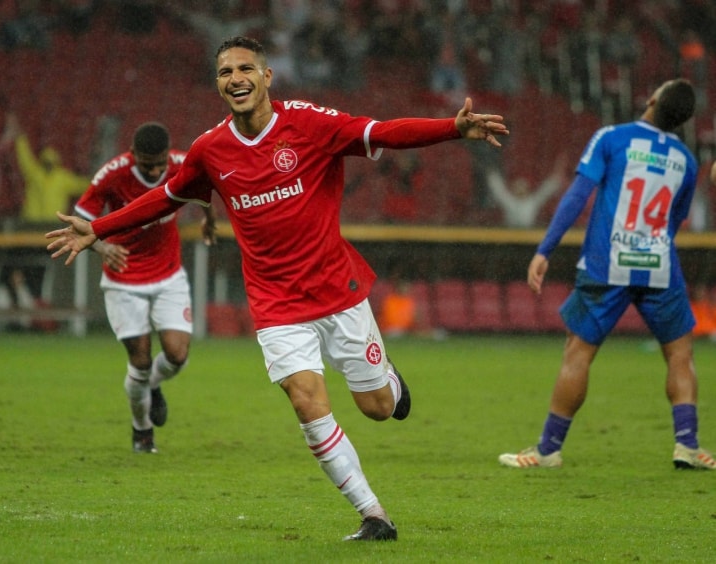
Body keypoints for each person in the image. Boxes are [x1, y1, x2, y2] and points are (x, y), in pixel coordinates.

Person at [46, 35, 508, 541]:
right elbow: (165, 198)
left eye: (246, 68)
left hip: (336, 289)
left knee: (377, 408)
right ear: (218, 85)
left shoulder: (310, 124)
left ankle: (389, 381)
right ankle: (374, 514)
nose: (236, 79)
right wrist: (101, 228)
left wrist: (452, 128)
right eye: (225, 72)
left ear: (267, 76)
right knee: (305, 399)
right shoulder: (209, 149)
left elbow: (384, 132)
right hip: (275, 303)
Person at [498, 79, 715, 471]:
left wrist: (545, 249)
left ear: (651, 98)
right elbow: (675, 220)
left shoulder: (611, 139)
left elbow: (578, 195)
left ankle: (549, 449)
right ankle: (687, 445)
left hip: (607, 262)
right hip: (659, 265)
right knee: (680, 354)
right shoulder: (686, 159)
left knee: (578, 354)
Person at [73, 122, 216, 454]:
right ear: (132, 154)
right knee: (139, 359)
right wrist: (102, 247)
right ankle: (142, 432)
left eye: (160, 162)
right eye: (147, 162)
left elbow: (208, 184)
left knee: (177, 355)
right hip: (124, 278)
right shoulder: (112, 174)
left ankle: (151, 386)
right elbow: (80, 220)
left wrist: (208, 219)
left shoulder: (182, 163)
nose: (154, 169)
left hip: (168, 274)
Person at [15, 127, 89, 222]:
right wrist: (20, 139)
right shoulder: (35, 172)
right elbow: (24, 158)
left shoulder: (61, 177)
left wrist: (99, 181)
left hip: (50, 223)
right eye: (46, 163)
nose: (48, 165)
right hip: (33, 222)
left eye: (50, 163)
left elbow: (81, 185)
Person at [485, 153, 567, 228]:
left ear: (527, 190)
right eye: (518, 189)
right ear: (513, 190)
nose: (521, 191)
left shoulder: (532, 202)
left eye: (523, 189)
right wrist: (490, 169)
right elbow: (497, 188)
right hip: (509, 234)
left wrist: (559, 168)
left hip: (528, 235)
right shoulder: (510, 201)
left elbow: (547, 189)